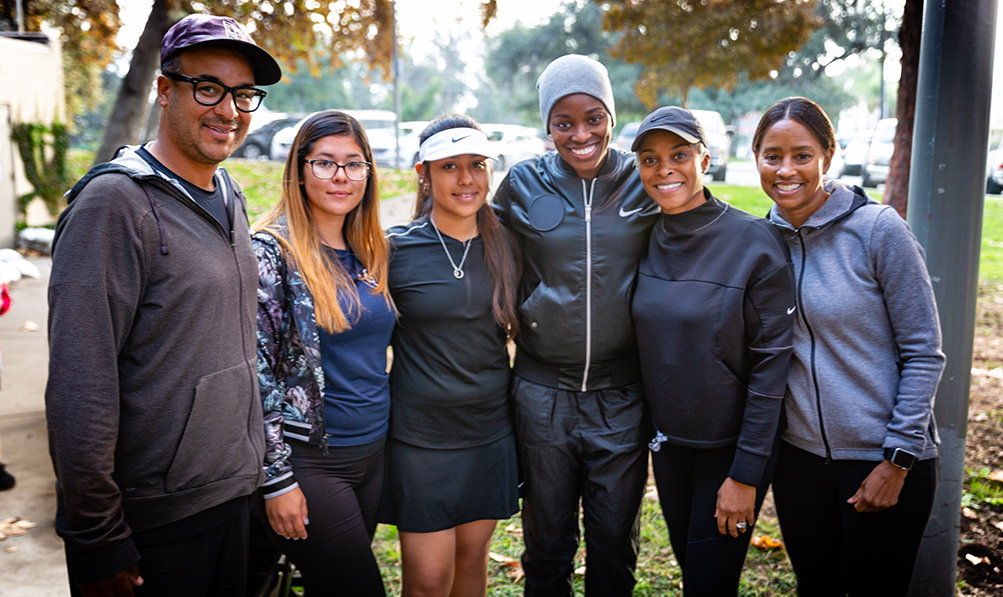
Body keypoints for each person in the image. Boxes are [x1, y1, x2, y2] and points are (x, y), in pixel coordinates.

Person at [45, 14, 281, 597]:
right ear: (165, 89)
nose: (229, 110)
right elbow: (80, 382)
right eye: (209, 88)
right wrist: (98, 538)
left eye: (244, 95)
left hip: (229, 494)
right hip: (156, 520)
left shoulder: (227, 192)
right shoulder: (114, 205)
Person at [753, 96, 945, 596]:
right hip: (800, 465)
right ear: (757, 159)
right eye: (772, 155)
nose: (785, 169)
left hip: (882, 460)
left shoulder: (879, 231)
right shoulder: (760, 241)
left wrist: (898, 460)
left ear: (828, 157)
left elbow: (925, 351)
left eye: (802, 154)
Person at [492, 54, 658, 596]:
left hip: (622, 395)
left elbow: (704, 224)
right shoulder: (522, 183)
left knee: (614, 541)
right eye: (563, 123)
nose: (581, 134)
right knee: (547, 541)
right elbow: (480, 247)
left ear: (611, 115)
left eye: (593, 118)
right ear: (548, 127)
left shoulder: (644, 179)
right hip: (543, 393)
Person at [629, 106, 795, 595]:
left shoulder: (754, 241)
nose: (664, 170)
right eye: (649, 159)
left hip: (732, 450)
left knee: (709, 584)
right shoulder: (645, 236)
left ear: (706, 159)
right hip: (672, 447)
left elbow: (772, 366)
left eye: (679, 155)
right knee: (693, 575)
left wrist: (745, 474)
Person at [253, 109, 394, 596]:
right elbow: (257, 375)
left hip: (371, 453)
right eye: (325, 163)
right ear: (299, 168)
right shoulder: (270, 253)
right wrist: (277, 481)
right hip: (311, 462)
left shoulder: (368, 249)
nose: (341, 177)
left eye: (354, 164)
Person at [380, 115, 521, 597]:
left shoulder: (509, 246)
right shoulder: (394, 250)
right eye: (450, 167)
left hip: (488, 432)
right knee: (427, 582)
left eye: (477, 165)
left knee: (471, 566)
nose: (466, 180)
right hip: (422, 440)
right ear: (424, 173)